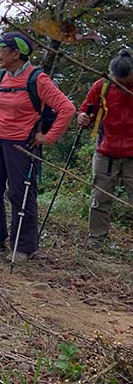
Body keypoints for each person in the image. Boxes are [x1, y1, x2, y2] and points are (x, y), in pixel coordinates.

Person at [0, 32, 75, 263]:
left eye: (2, 50)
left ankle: (23, 246)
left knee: (20, 194)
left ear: (16, 53)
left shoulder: (37, 80)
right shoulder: (3, 75)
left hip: (21, 143)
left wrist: (47, 137)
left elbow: (67, 108)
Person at [76, 49, 133, 247]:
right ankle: (96, 239)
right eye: (118, 78)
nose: (122, 82)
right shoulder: (102, 86)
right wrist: (82, 117)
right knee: (100, 197)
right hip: (106, 151)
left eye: (125, 79)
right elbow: (85, 110)